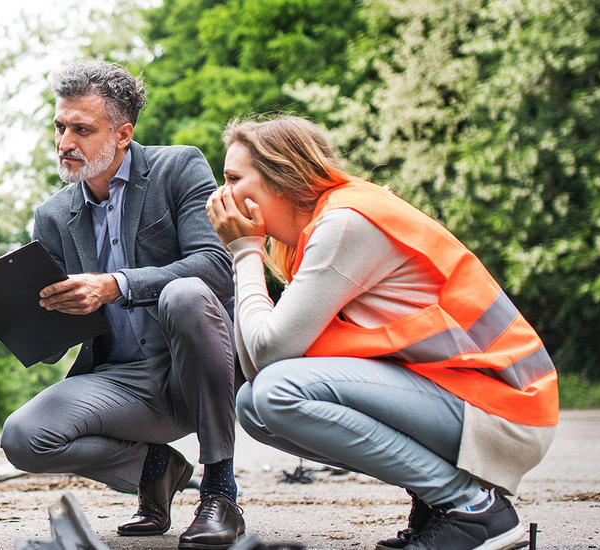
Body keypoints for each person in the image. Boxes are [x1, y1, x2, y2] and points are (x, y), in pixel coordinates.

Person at [206, 115, 557, 550]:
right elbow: (256, 365)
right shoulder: (321, 229)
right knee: (254, 405)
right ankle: (437, 502)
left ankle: (472, 509)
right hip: (464, 400)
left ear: (281, 179)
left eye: (233, 178)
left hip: (503, 410)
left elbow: (269, 358)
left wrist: (245, 253)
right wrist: (248, 251)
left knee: (278, 393)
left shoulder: (345, 224)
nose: (221, 195)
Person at [0, 60, 244, 548]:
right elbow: (52, 345)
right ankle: (156, 468)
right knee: (23, 439)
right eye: (60, 126)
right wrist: (19, 307)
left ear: (123, 133)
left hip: (196, 367)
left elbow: (216, 266)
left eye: (82, 129)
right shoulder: (52, 215)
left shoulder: (179, 167)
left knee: (186, 292)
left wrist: (116, 284)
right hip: (122, 380)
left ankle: (220, 490)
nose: (65, 142)